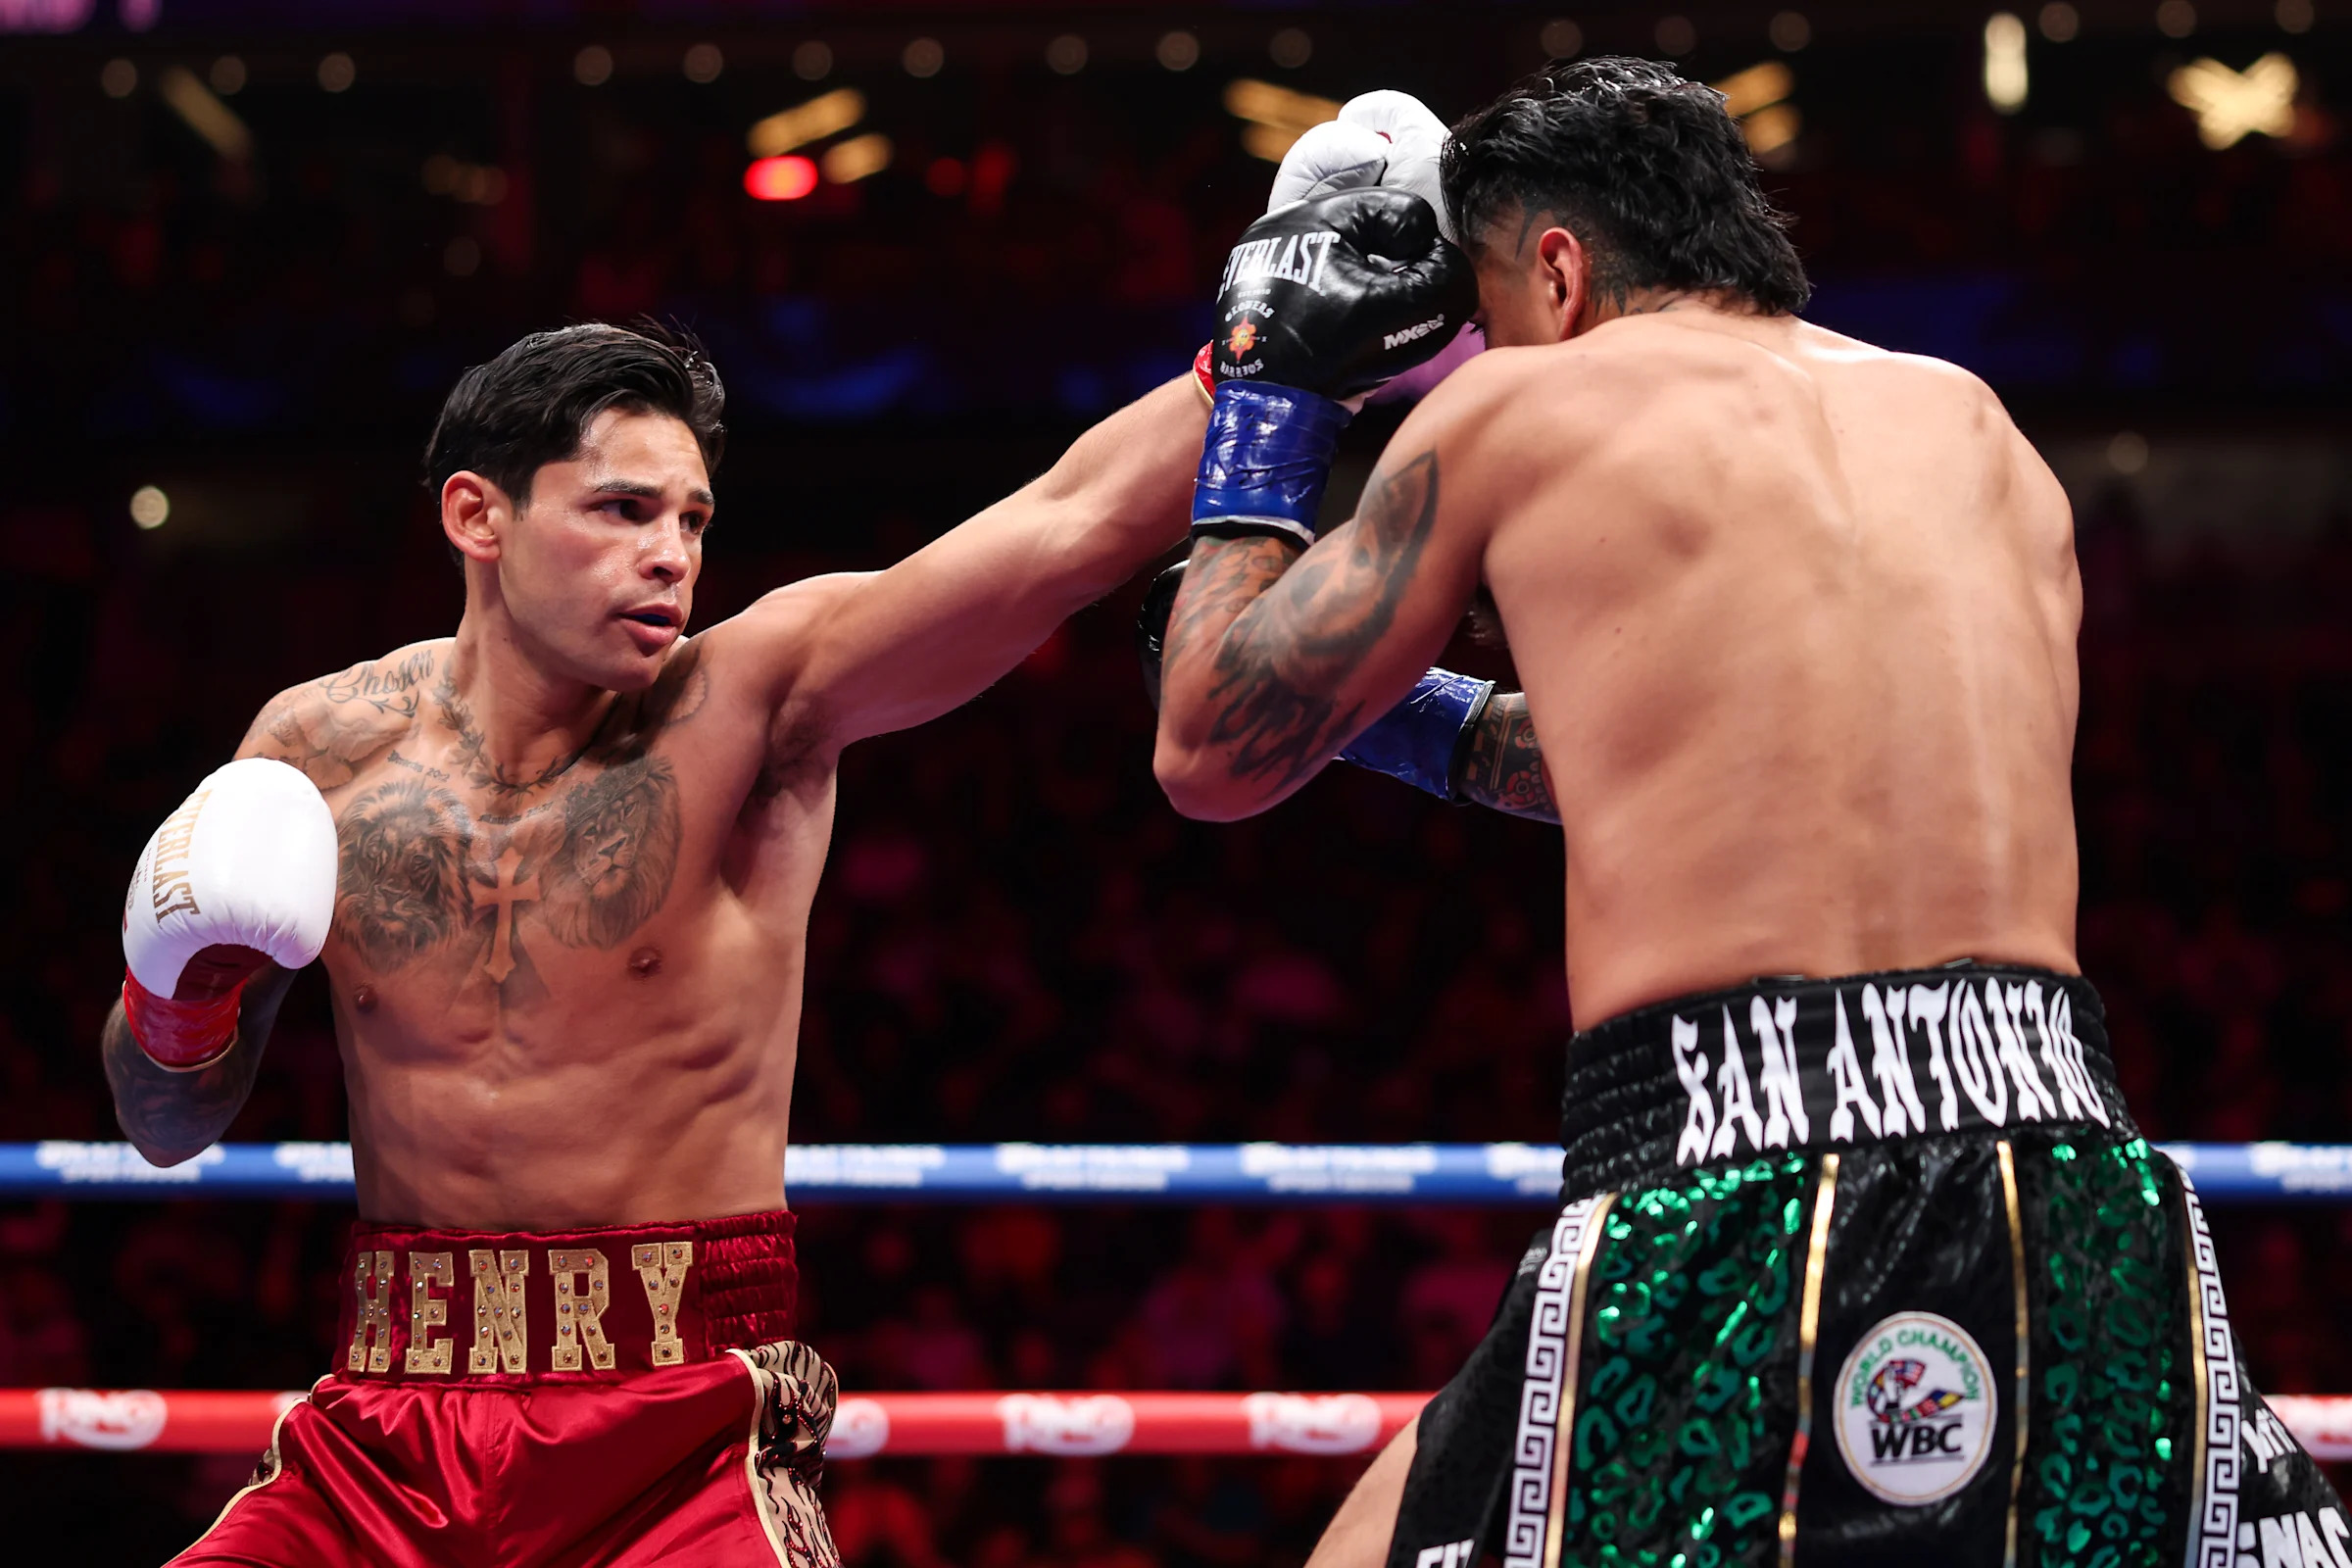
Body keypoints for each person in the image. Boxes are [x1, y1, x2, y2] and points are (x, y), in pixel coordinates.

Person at [108, 191, 1469, 1568]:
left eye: (692, 520)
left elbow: (1060, 527)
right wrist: (177, 998)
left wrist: (1266, 360)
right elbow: (164, 1127)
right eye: (623, 510)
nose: (671, 556)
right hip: (382, 1439)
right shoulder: (316, 750)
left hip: (679, 1435)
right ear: (479, 516)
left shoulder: (752, 703)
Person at [1151, 59, 2350, 1568]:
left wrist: (1271, 388)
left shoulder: (1526, 405)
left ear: (1559, 271)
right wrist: (1408, 721)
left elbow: (1207, 740)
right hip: (2069, 1163)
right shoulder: (1977, 429)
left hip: (1735, 1161)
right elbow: (1679, 752)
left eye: (1490, 316)